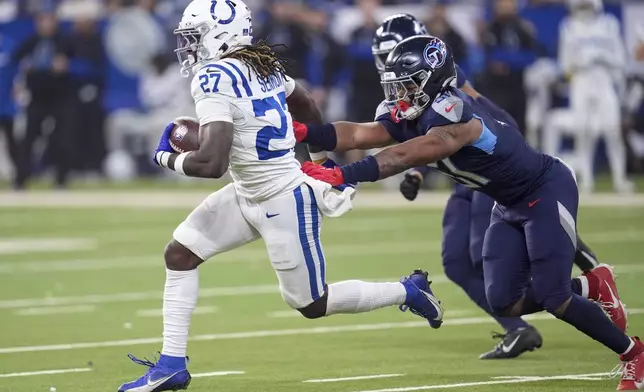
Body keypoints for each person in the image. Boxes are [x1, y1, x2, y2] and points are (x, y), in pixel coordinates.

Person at [117, 1, 443, 391]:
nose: (189, 47)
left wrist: (166, 157)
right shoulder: (261, 64)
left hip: (284, 198)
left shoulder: (212, 77)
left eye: (195, 36)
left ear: (219, 33)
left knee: (311, 304)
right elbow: (303, 99)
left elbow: (212, 163)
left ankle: (408, 290)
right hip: (248, 191)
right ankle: (171, 365)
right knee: (180, 253)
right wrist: (321, 158)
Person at [294, 35, 641, 390]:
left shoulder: (453, 111)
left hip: (543, 190)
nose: (400, 94)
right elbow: (358, 134)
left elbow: (406, 155)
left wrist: (343, 174)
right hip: (506, 203)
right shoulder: (411, 110)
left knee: (554, 297)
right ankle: (592, 284)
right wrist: (305, 131)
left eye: (408, 85)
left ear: (432, 80)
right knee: (505, 302)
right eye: (395, 86)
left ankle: (634, 354)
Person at [558, 0, 633, 193]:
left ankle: (620, 178)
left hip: (604, 81)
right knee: (583, 132)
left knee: (612, 130)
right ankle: (587, 180)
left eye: (587, 5)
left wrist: (602, 56)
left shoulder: (609, 24)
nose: (584, 10)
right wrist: (579, 62)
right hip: (581, 83)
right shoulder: (568, 27)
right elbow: (564, 65)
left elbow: (621, 59)